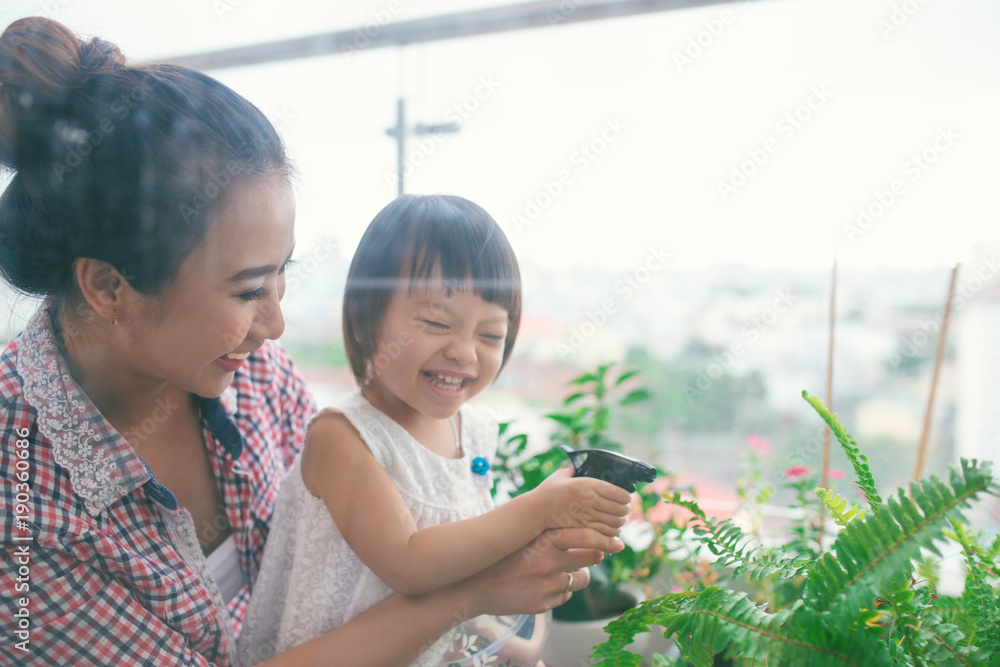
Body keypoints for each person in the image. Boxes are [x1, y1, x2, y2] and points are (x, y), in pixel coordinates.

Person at [0, 17, 625, 666]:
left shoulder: (252, 372)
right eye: (246, 291)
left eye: (283, 276)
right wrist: (465, 596)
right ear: (108, 286)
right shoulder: (20, 498)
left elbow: (367, 552)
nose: (275, 326)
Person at [237, 195, 632, 666]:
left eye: (490, 335)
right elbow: (410, 563)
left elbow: (458, 566)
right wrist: (542, 508)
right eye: (436, 322)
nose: (465, 353)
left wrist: (504, 626)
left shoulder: (474, 433)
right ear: (366, 319)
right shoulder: (343, 438)